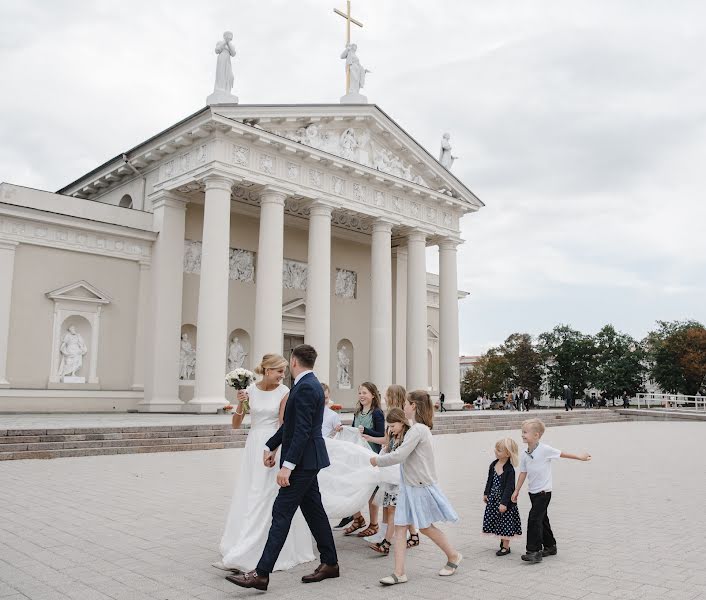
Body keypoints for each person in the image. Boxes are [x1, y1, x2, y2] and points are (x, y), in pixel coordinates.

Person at [227, 345, 339, 591]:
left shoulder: (306, 387)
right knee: (314, 511)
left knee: (281, 513)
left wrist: (287, 466)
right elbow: (291, 426)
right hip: (307, 460)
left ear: (294, 361)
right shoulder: (306, 384)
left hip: (302, 462)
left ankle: (261, 573)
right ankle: (330, 563)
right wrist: (270, 444)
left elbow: (302, 431)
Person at [215, 354, 315, 574]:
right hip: (253, 445)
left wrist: (274, 450)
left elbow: (284, 425)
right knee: (250, 491)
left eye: (284, 371)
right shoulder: (249, 390)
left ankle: (259, 549)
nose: (282, 375)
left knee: (265, 495)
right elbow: (235, 424)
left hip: (272, 447)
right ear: (267, 370)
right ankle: (241, 542)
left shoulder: (284, 393)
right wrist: (240, 401)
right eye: (279, 371)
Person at [372, 390, 461, 586]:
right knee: (401, 527)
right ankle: (399, 573)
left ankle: (453, 555)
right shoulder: (415, 428)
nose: (403, 406)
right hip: (408, 486)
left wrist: (377, 460)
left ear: (413, 406)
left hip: (419, 486)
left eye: (406, 403)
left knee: (425, 526)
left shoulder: (419, 430)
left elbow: (400, 455)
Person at [511, 418, 591, 563]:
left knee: (534, 519)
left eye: (526, 432)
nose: (522, 435)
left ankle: (534, 551)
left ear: (536, 435)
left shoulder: (545, 449)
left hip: (544, 493)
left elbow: (562, 454)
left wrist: (580, 457)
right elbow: (523, 473)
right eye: (522, 432)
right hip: (533, 493)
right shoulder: (525, 453)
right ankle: (550, 546)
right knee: (542, 519)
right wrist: (516, 490)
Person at [363, 408, 410, 555]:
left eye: (393, 426)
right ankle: (388, 539)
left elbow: (399, 457)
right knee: (390, 510)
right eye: (388, 426)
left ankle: (387, 543)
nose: (390, 429)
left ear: (402, 423)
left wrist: (380, 459)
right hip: (390, 481)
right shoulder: (393, 437)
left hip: (400, 482)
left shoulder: (407, 438)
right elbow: (387, 451)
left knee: (393, 512)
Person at [342, 382, 386, 538]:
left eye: (365, 393)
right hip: (358, 455)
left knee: (372, 490)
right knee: (354, 486)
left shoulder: (377, 413)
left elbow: (381, 435)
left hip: (371, 456)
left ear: (373, 395)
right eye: (360, 393)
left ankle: (373, 524)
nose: (361, 396)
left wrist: (366, 431)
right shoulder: (357, 412)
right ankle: (357, 518)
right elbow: (355, 430)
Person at [482, 438, 522, 556]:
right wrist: (486, 493)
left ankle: (506, 547)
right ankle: (502, 540)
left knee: (506, 522)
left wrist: (504, 503)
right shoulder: (493, 464)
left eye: (499, 450)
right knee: (497, 521)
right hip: (494, 499)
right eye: (496, 448)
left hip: (505, 502)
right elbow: (489, 480)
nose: (495, 451)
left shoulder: (509, 470)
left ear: (508, 453)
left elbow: (509, 488)